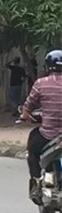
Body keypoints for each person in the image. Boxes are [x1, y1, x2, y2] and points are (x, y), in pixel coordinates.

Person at [20, 50, 62, 202]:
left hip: (48, 135)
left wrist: (25, 116)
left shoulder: (41, 83)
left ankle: (37, 182)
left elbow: (27, 107)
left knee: (32, 151)